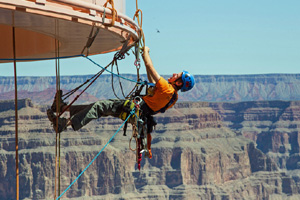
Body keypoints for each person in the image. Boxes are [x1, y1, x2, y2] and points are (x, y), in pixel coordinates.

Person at [47, 46, 195, 133]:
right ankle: (61, 108)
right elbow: (152, 81)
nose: (174, 74)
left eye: (178, 75)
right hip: (136, 112)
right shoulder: (171, 96)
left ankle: (64, 124)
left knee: (100, 106)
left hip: (134, 109)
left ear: (180, 83)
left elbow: (150, 68)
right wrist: (146, 56)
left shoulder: (168, 90)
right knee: (94, 107)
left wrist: (146, 53)